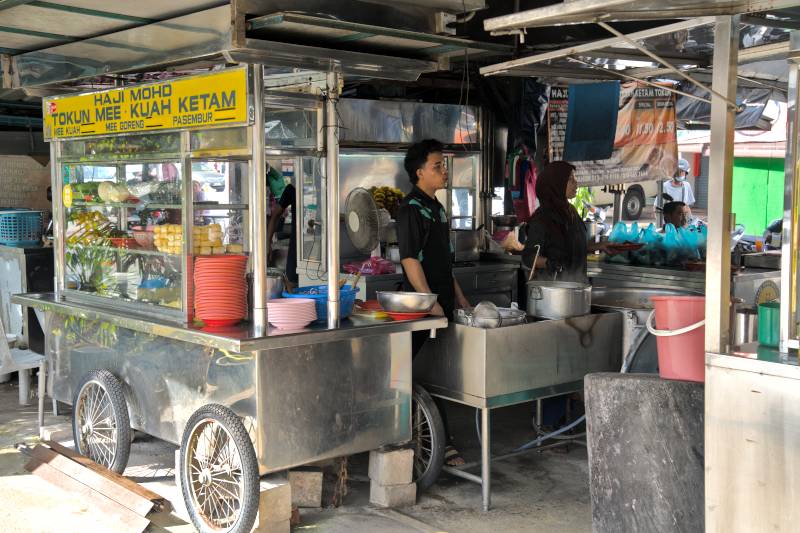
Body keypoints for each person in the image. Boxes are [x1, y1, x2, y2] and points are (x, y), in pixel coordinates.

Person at [397, 138, 470, 467]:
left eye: (444, 165)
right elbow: (410, 260)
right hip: (422, 308)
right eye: (437, 166)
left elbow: (442, 263)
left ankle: (437, 441)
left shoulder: (437, 208)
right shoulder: (411, 209)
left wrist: (460, 299)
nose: (444, 171)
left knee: (439, 373)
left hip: (442, 304)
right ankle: (426, 442)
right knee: (412, 373)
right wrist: (430, 302)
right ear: (419, 172)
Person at [522, 161, 612, 281]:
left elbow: (573, 247)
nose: (576, 183)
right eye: (570, 179)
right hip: (552, 288)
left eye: (575, 178)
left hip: (577, 284)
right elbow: (529, 257)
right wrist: (550, 263)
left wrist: (600, 246)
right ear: (556, 183)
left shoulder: (571, 211)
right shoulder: (542, 218)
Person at [267, 182, 297, 285]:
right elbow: (275, 216)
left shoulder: (325, 187)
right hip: (296, 247)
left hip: (320, 247)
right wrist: (268, 243)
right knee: (291, 282)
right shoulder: (292, 189)